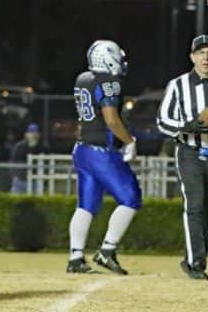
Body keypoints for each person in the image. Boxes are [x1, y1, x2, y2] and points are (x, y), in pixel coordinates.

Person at [156, 35, 208, 279]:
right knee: (195, 205)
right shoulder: (178, 85)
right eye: (201, 53)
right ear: (192, 57)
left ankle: (196, 255)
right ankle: (195, 263)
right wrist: (187, 126)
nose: (206, 57)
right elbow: (162, 121)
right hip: (189, 151)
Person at [67, 40, 140, 275]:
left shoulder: (83, 78)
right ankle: (107, 251)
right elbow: (110, 119)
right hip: (102, 151)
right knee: (131, 198)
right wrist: (128, 140)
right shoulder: (108, 81)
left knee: (86, 205)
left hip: (82, 149)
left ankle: (76, 257)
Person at [9, 123, 46, 194]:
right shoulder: (19, 146)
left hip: (36, 181)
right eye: (31, 132)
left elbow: (45, 163)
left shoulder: (42, 147)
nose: (33, 135)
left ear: (39, 135)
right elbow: (12, 162)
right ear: (26, 134)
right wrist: (16, 176)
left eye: (36, 133)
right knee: (16, 201)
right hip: (20, 180)